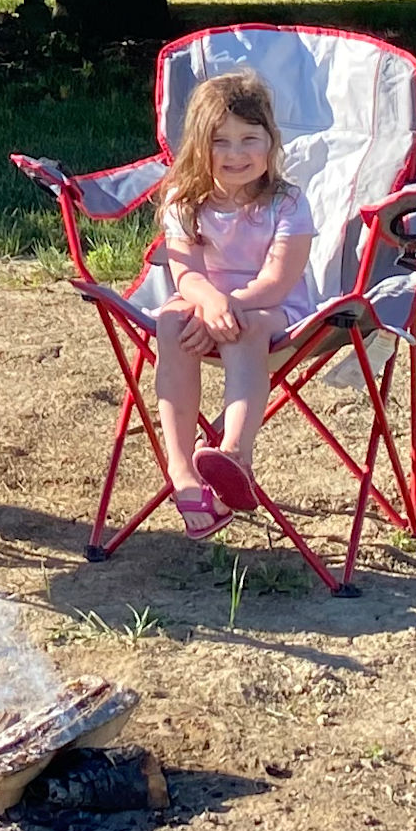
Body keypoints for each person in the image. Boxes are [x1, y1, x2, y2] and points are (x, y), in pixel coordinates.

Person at [141, 70, 313, 537]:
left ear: (270, 141)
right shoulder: (184, 200)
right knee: (171, 323)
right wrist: (209, 305)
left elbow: (277, 280)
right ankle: (182, 471)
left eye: (249, 139)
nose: (236, 154)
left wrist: (227, 308)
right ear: (200, 146)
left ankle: (234, 453)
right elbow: (187, 275)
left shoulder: (287, 203)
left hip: (275, 311)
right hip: (203, 301)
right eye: (221, 141)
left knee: (246, 330)